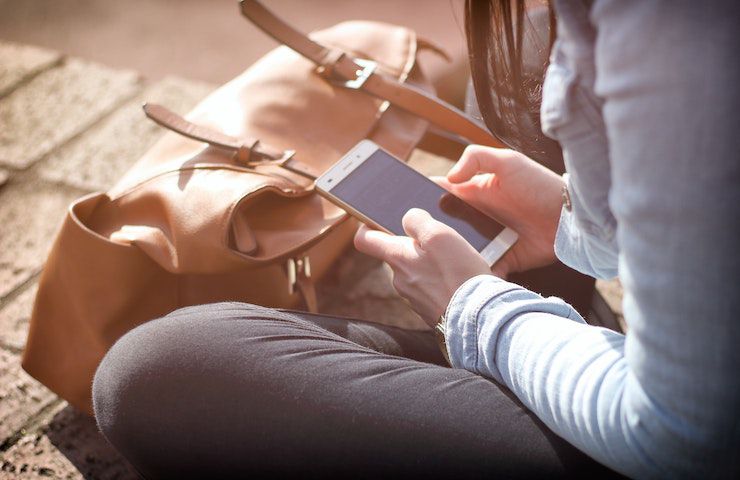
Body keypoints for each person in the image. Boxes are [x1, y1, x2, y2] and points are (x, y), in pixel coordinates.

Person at [92, 1, 740, 478]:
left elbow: (686, 438)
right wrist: (576, 226)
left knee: (162, 373)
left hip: (676, 443)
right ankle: (561, 332)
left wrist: (475, 308)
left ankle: (540, 339)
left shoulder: (669, 38)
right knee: (521, 45)